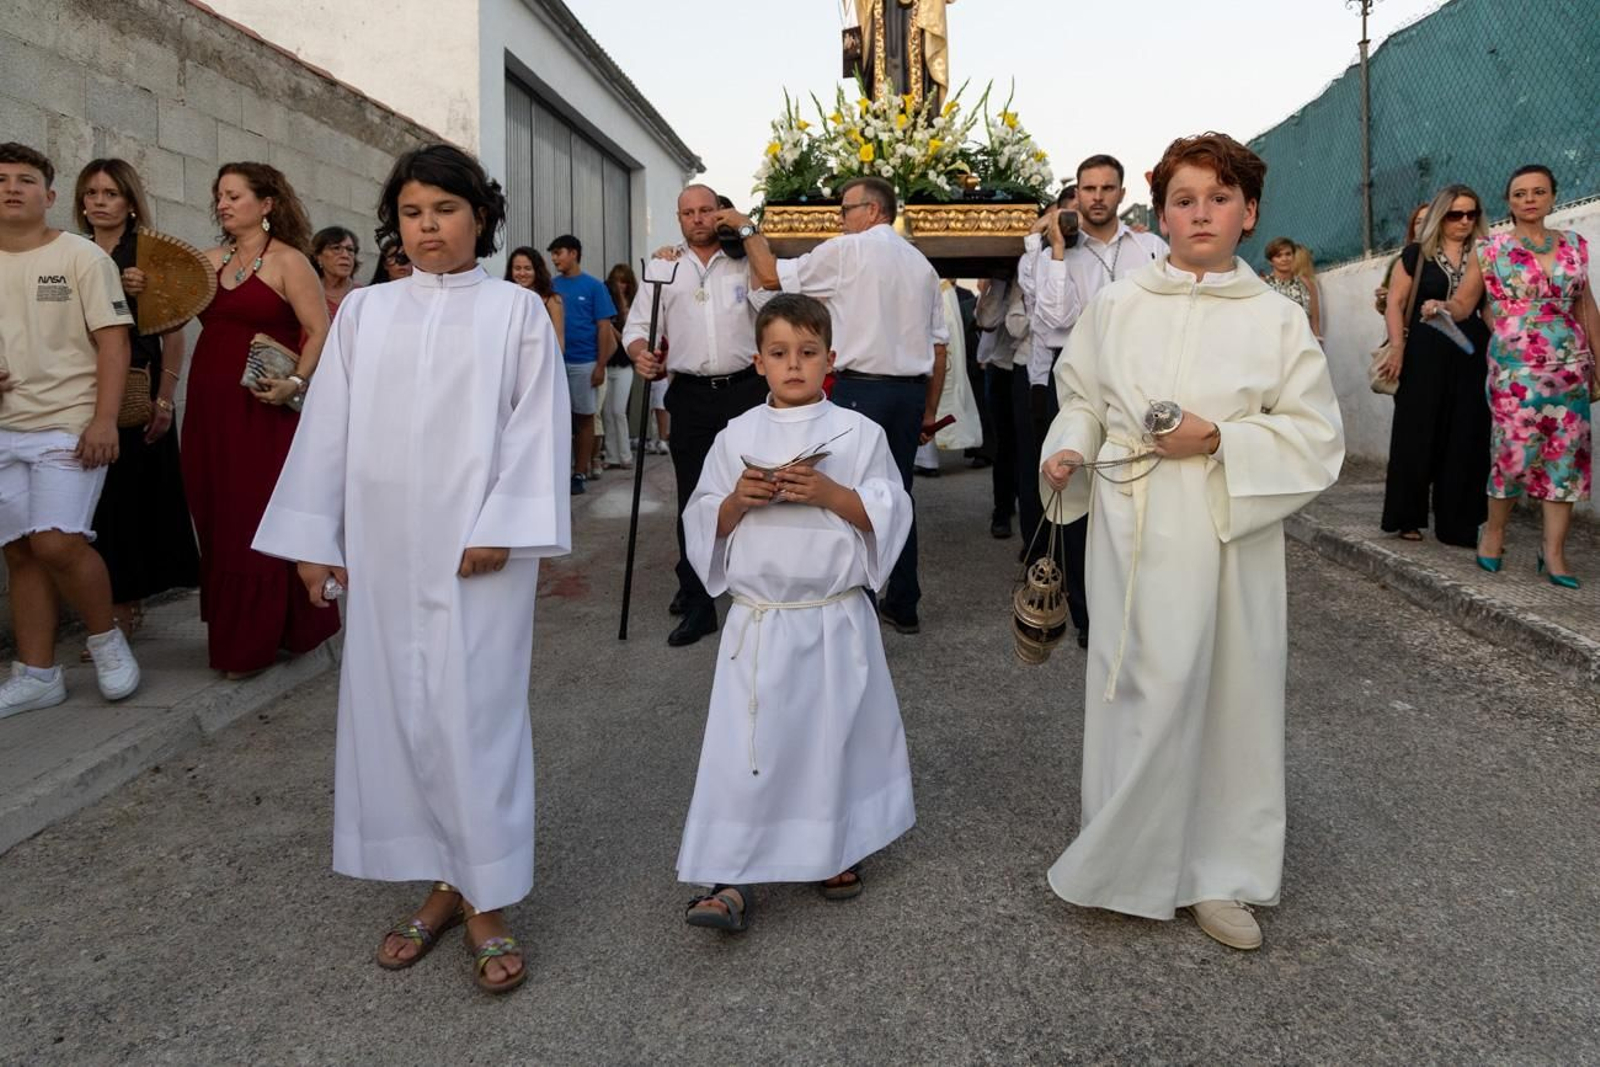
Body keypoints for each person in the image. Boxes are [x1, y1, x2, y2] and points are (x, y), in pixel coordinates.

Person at [254, 143, 571, 995]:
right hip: (386, 546)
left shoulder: (515, 313)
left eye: (446, 210)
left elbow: (536, 426)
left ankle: (487, 898)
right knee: (398, 708)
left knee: (474, 713)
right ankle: (440, 882)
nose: (428, 227)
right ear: (394, 225)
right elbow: (328, 429)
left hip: (478, 549)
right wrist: (316, 539)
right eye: (412, 213)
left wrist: (505, 521)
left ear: (481, 217)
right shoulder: (365, 314)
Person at [1039, 132, 1344, 951]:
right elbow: (1083, 395)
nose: (1200, 212)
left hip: (1224, 536)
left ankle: (1220, 872)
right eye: (1183, 199)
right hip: (1131, 527)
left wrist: (1217, 442)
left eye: (1218, 198)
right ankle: (1126, 859)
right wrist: (1067, 445)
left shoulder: (1277, 322)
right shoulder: (1118, 305)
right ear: (1161, 213)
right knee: (1132, 681)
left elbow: (1317, 439)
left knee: (1228, 695)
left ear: (1248, 213)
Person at [676, 293, 914, 932]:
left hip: (831, 615)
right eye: (779, 353)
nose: (794, 365)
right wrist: (735, 502)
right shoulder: (737, 436)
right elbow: (701, 516)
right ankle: (728, 872)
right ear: (758, 361)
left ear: (830, 359)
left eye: (808, 353)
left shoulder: (860, 434)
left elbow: (892, 510)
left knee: (829, 737)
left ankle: (833, 847)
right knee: (748, 743)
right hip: (761, 619)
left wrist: (835, 495)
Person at [736, 175, 947, 636]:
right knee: (895, 494)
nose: (841, 218)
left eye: (846, 209)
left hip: (862, 390)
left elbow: (773, 276)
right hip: (909, 392)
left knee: (847, 495)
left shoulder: (848, 250)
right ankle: (905, 601)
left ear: (872, 210)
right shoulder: (922, 266)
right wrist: (929, 409)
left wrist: (747, 229)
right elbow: (939, 348)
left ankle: (858, 600)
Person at [182, 162, 339, 678]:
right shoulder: (205, 263)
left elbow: (318, 331)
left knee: (256, 517)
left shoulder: (291, 262)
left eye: (234, 195)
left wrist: (296, 383)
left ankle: (266, 636)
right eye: (219, 196)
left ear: (266, 204)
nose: (223, 204)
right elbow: (164, 313)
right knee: (217, 514)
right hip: (208, 411)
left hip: (263, 410)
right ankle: (241, 630)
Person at [0, 143, 141, 717]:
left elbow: (114, 340)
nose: (12, 188)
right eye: (2, 179)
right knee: (19, 553)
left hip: (68, 423)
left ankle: (106, 640)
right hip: (4, 429)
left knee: (56, 541)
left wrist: (104, 419)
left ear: (49, 196)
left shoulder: (82, 257)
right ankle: (37, 675)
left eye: (25, 180)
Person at [1428, 164, 1599, 587]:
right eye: (1520, 193)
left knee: (1566, 459)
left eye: (1538, 191)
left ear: (1553, 197)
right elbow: (1466, 304)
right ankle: (1495, 534)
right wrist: (1443, 307)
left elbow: (1586, 308)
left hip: (1570, 369)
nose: (1529, 199)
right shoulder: (1490, 250)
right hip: (1514, 372)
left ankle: (1554, 553)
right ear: (1509, 202)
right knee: (1512, 456)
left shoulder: (1575, 246)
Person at [1031, 155, 1168, 649]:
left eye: (1107, 188)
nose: (1097, 197)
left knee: (1138, 494)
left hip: (1142, 384)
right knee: (1076, 495)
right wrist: (1058, 251)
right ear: (1077, 193)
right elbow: (1053, 318)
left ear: (1120, 192)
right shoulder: (1055, 253)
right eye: (1088, 188)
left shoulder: (1150, 246)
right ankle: (1090, 617)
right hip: (1079, 382)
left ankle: (1142, 610)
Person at [624, 185, 767, 647]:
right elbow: (637, 329)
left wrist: (748, 234)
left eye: (706, 210)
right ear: (679, 218)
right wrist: (642, 354)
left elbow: (774, 307)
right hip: (689, 394)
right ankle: (699, 598)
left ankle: (755, 585)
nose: (698, 218)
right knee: (694, 498)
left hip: (746, 389)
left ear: (720, 213)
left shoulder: (745, 259)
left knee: (756, 490)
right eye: (688, 212)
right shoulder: (664, 266)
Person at [73, 158, 200, 643]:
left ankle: (122, 609)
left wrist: (165, 400)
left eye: (109, 193)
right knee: (91, 510)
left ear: (129, 202)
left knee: (125, 506)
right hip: (76, 390)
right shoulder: (71, 252)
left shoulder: (145, 255)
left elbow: (175, 336)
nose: (99, 202)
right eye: (91, 194)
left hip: (132, 393)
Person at [1376, 184, 1491, 546]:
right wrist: (1397, 348)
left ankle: (1458, 524)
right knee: (1417, 430)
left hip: (1471, 348)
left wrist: (1505, 346)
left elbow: (1487, 307)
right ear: (1441, 215)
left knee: (1467, 433)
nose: (1465, 221)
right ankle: (1406, 516)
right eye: (1456, 214)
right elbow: (1395, 303)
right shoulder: (1416, 254)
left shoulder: (1487, 254)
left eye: (1471, 214)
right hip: (1425, 347)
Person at [547, 234, 615, 496]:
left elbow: (604, 327)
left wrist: (600, 365)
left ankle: (580, 471)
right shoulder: (551, 287)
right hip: (556, 364)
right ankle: (560, 470)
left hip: (585, 363)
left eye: (559, 253)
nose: (555, 259)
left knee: (585, 418)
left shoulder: (594, 287)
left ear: (574, 253)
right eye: (553, 254)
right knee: (559, 420)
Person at [974, 270, 1020, 538]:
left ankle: (1027, 504)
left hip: (1034, 366)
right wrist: (998, 283)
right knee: (1005, 444)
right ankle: (1002, 509)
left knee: (1030, 444)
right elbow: (987, 320)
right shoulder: (1000, 280)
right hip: (1002, 365)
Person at [601, 263, 637, 471]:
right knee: (607, 412)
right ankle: (612, 455)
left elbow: (626, 339)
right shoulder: (608, 304)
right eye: (617, 281)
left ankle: (625, 455)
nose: (621, 286)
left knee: (618, 411)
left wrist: (612, 329)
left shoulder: (634, 306)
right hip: (608, 363)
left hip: (624, 365)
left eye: (624, 282)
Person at [505, 246, 565, 349]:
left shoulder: (553, 301)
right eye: (517, 268)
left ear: (537, 270)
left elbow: (559, 344)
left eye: (528, 268)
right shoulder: (505, 298)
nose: (522, 273)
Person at [1376, 203, 1430, 315]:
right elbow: (1383, 308)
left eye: (1428, 221)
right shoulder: (1401, 261)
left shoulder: (1452, 257)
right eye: (1418, 222)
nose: (1422, 226)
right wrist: (1385, 299)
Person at [1263, 237, 1321, 339]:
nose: (1284, 259)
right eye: (1278, 255)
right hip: (1274, 342)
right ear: (1271, 261)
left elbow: (1315, 321)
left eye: (1288, 254)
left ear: (1294, 256)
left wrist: (1319, 343)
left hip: (1303, 342)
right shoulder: (1264, 285)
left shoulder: (1306, 284)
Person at [311, 226, 361, 318]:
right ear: (318, 256)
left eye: (350, 249)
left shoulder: (362, 295)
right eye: (336, 248)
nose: (345, 255)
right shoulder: (307, 293)